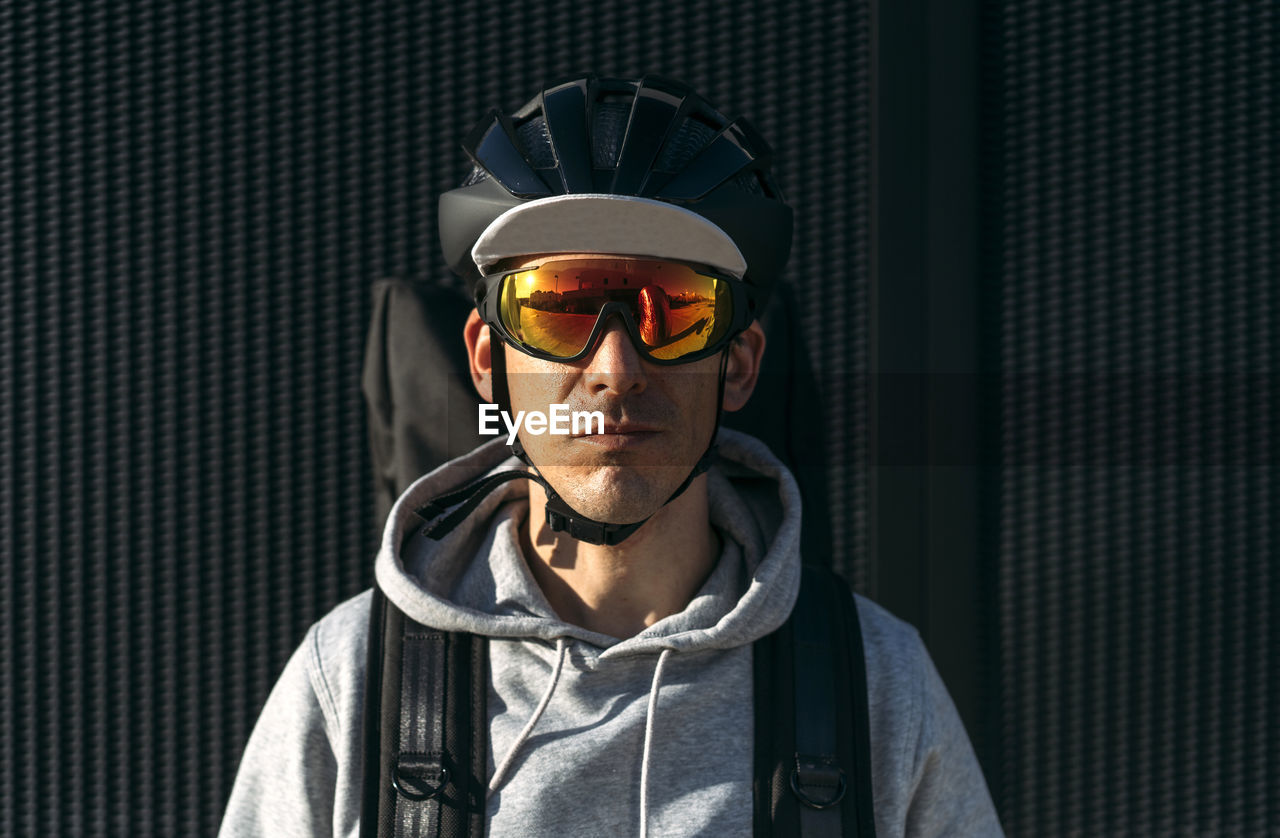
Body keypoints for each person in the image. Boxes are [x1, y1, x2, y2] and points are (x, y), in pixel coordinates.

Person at [218, 75, 1003, 837]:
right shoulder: (352, 680)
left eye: (677, 311)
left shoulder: (878, 683)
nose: (616, 369)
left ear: (737, 364)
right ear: (488, 360)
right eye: (560, 309)